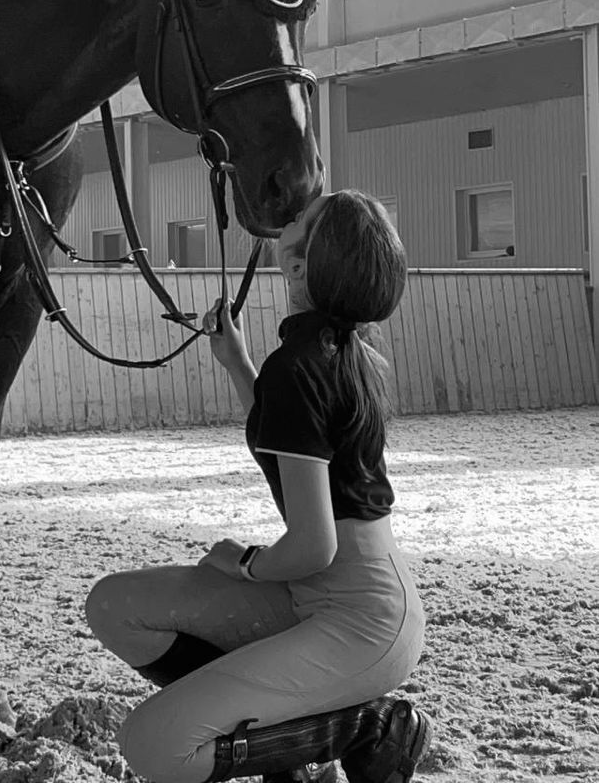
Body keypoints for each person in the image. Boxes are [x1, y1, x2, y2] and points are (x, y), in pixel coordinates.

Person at [86, 189, 431, 783]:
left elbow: (312, 548)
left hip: (356, 618)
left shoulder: (301, 365)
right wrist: (239, 366)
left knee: (153, 747)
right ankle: (275, 735)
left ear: (299, 266)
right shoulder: (332, 350)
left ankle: (363, 726)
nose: (291, 213)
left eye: (304, 219)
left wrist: (244, 563)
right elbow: (293, 432)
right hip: (336, 594)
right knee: (113, 606)